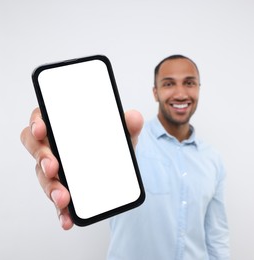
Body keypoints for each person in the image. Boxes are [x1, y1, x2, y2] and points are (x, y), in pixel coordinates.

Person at [21, 55, 230, 259]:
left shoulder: (213, 159)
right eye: (168, 84)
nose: (181, 93)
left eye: (189, 83)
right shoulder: (127, 142)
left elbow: (216, 236)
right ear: (155, 92)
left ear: (198, 89)